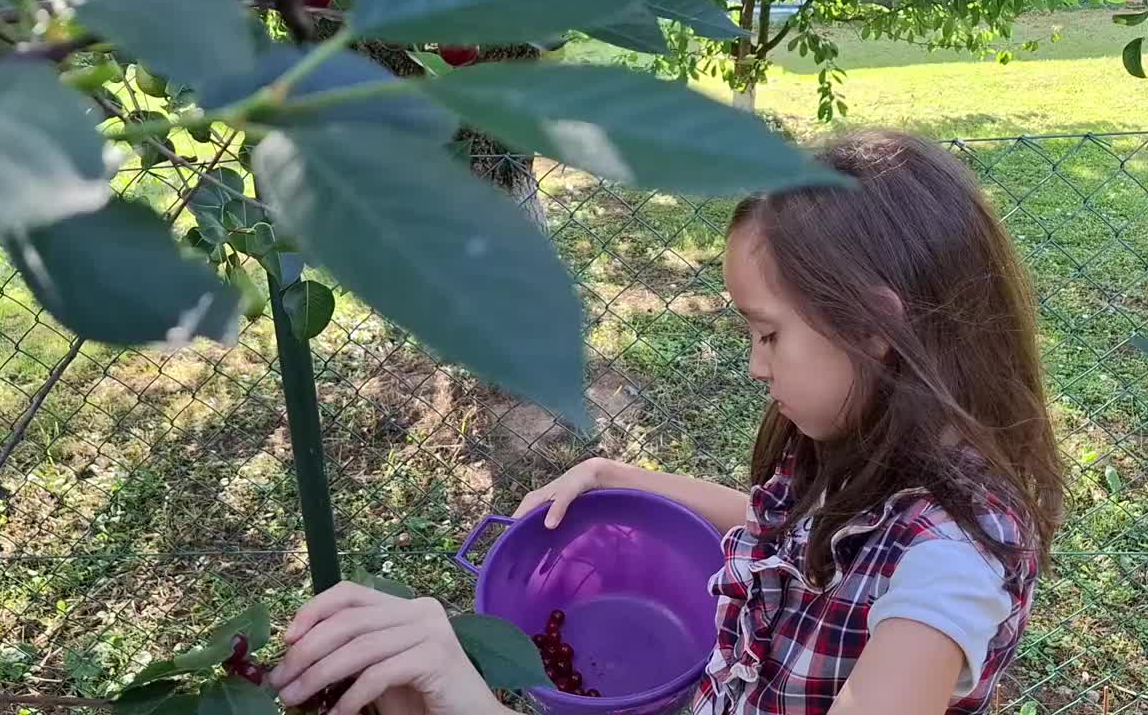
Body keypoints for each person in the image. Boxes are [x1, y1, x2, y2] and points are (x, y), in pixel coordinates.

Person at [267, 129, 1065, 715]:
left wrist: (461, 693)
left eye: (768, 333)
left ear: (875, 328)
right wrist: (619, 477)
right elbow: (793, 530)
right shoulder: (876, 446)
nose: (756, 365)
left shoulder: (946, 575)